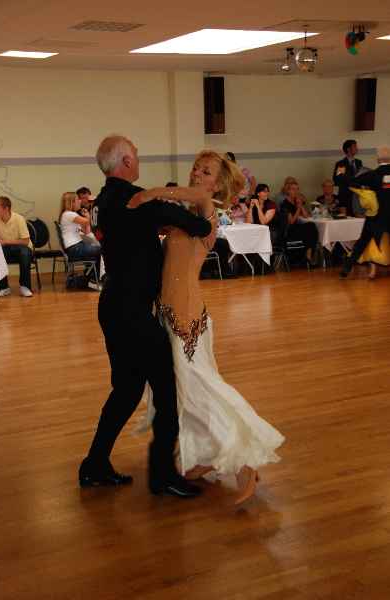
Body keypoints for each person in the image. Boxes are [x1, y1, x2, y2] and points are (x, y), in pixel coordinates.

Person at [130, 151, 284, 504]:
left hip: (186, 316)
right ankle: (202, 455)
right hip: (168, 312)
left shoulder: (207, 209)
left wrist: (151, 193)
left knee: (199, 390)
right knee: (182, 393)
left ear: (217, 184)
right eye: (197, 168)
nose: (198, 174)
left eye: (207, 171)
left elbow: (193, 196)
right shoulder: (187, 216)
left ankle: (245, 460)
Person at [79, 135, 213, 499]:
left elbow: (133, 232)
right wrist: (172, 201)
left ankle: (94, 465)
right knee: (167, 390)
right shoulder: (137, 200)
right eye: (135, 155)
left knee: (126, 390)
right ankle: (162, 476)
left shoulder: (102, 202)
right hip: (133, 312)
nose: (138, 159)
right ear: (125, 162)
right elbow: (200, 226)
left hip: (113, 306)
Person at [340, 146, 390, 279]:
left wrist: (364, 189)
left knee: (362, 242)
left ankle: (347, 267)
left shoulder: (373, 174)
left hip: (376, 216)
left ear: (378, 159)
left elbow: (352, 182)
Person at [0, 196, 33, 297]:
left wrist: (5, 241)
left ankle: (25, 287)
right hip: (5, 248)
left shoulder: (19, 219)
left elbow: (25, 241)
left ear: (6, 209)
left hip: (21, 247)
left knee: (24, 253)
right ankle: (3, 287)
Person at [59, 192, 102, 289]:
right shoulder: (69, 214)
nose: (80, 201)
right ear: (72, 202)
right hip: (75, 248)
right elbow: (88, 221)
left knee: (99, 251)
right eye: (77, 199)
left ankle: (93, 279)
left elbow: (86, 231)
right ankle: (94, 280)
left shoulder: (70, 215)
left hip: (76, 247)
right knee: (102, 250)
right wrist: (89, 214)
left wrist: (86, 216)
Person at [281, 182, 318, 265]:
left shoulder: (296, 202)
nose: (296, 191)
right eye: (293, 189)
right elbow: (291, 221)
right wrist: (298, 209)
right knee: (311, 227)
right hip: (289, 230)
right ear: (288, 191)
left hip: (297, 228)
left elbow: (306, 216)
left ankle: (308, 256)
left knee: (311, 226)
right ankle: (308, 257)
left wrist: (300, 205)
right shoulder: (285, 204)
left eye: (297, 189)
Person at [333, 139, 364, 216]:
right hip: (346, 195)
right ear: (348, 149)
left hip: (357, 195)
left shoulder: (359, 162)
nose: (357, 148)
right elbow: (338, 179)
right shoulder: (342, 164)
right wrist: (353, 180)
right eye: (355, 146)